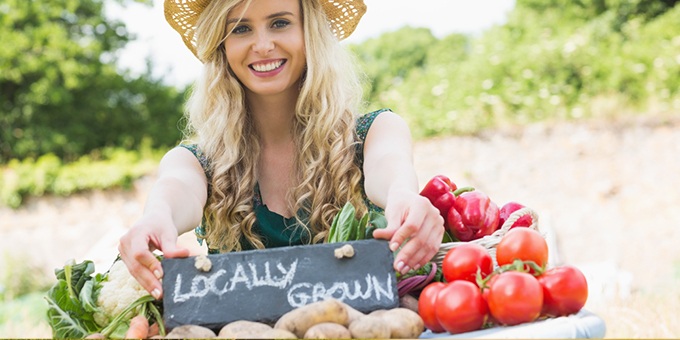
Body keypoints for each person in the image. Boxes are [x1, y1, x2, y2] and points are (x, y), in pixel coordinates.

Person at [118, 0, 444, 301]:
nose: (262, 46)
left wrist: (402, 195)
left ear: (309, 32)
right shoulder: (195, 162)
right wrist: (157, 216)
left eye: (279, 23)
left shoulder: (375, 131)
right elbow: (176, 189)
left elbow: (389, 166)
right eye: (240, 28)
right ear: (222, 44)